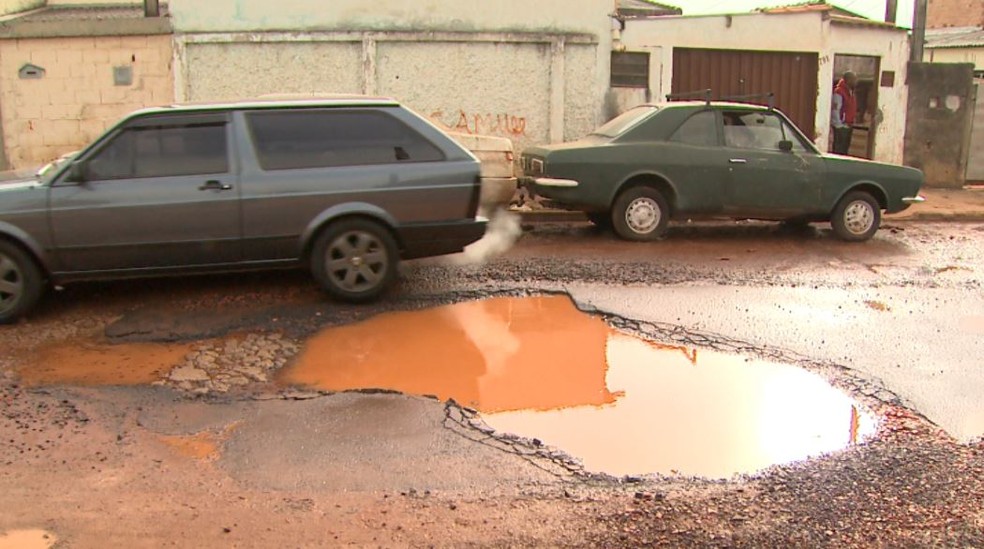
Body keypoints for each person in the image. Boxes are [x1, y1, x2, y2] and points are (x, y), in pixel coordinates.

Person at [831, 71, 858, 155]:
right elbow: (835, 110)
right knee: (839, 151)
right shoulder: (839, 92)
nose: (856, 81)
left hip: (848, 126)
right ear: (848, 80)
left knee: (844, 151)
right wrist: (839, 126)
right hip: (841, 127)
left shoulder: (850, 92)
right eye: (854, 79)